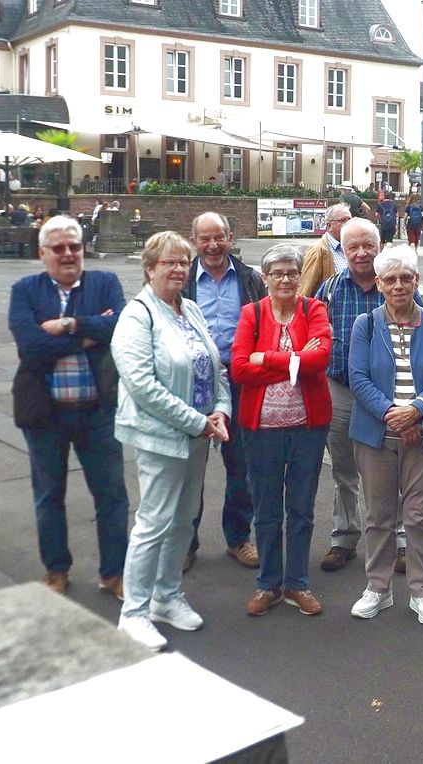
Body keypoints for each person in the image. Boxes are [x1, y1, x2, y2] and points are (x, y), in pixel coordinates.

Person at [112, 231, 231, 651]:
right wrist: (197, 421)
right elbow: (142, 385)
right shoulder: (137, 315)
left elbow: (214, 367)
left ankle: (166, 596)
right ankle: (134, 613)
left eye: (184, 261)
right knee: (153, 523)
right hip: (160, 437)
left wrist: (221, 409)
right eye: (169, 262)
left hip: (198, 436)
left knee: (183, 520)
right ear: (149, 268)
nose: (179, 269)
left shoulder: (190, 309)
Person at [8, 216, 129, 599]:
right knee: (49, 495)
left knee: (112, 496)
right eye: (58, 248)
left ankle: (114, 573)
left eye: (74, 246)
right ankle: (56, 570)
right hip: (46, 413)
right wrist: (90, 335)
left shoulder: (104, 283)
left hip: (97, 411)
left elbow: (120, 327)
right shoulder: (25, 290)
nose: (68, 254)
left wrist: (68, 324)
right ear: (42, 253)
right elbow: (31, 346)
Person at [348, 245, 423, 625]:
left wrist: (417, 411)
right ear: (378, 284)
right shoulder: (366, 325)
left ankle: (422, 592)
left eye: (405, 278)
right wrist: (393, 415)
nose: (398, 286)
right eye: (390, 279)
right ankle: (378, 588)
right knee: (379, 515)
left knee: (419, 517)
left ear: (416, 281)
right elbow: (358, 377)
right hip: (377, 436)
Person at [231, 244, 333, 617]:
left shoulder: (314, 309)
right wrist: (294, 363)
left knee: (301, 508)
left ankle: (297, 584)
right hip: (262, 430)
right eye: (278, 273)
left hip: (308, 428)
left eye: (292, 272)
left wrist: (268, 358)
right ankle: (268, 584)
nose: (286, 279)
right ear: (265, 278)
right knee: (267, 509)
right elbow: (239, 368)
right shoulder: (252, 314)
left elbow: (320, 358)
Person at [314, 219, 421, 574]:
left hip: (389, 397)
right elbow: (313, 334)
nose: (361, 253)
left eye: (367, 246)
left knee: (393, 470)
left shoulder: (395, 284)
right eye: (353, 247)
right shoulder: (331, 289)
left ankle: (400, 542)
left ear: (379, 247)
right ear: (343, 251)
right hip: (341, 391)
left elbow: (421, 335)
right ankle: (344, 539)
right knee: (344, 470)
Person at [182, 212, 267, 570]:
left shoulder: (250, 279)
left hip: (240, 379)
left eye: (219, 237)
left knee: (241, 466)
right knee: (190, 467)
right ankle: (185, 543)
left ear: (231, 238)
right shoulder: (182, 280)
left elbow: (267, 323)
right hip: (194, 381)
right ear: (194, 241)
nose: (213, 245)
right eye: (205, 238)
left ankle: (238, 538)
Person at [299, 204, 351, 298]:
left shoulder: (349, 247)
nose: (348, 224)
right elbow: (305, 291)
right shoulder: (317, 251)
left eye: (350, 220)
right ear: (329, 225)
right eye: (343, 220)